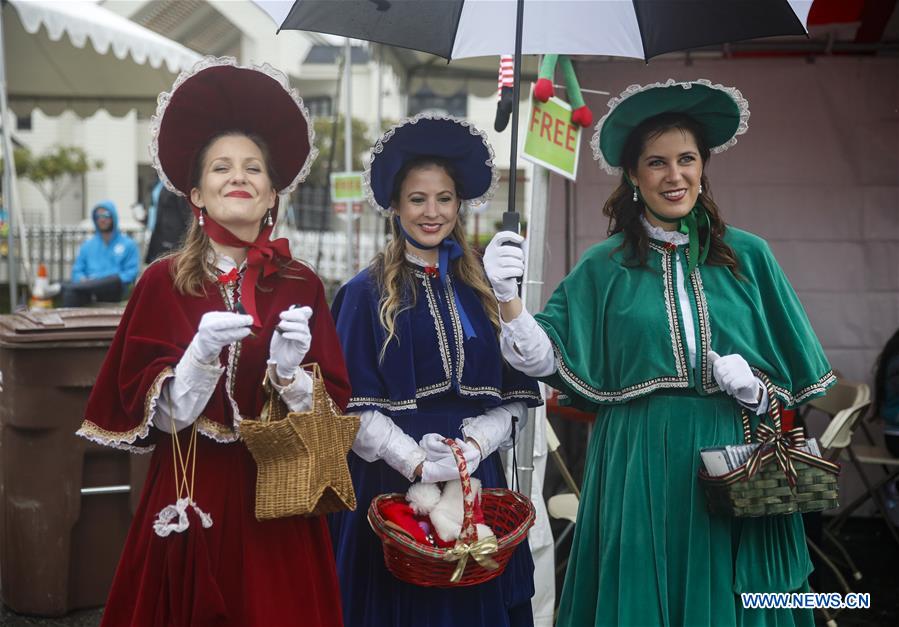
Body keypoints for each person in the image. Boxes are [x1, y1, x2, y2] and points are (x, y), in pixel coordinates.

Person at [483, 80, 836, 626]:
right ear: (633, 175)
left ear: (703, 165)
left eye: (686, 159)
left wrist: (755, 389)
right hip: (637, 456)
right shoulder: (605, 265)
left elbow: (794, 379)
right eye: (657, 163)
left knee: (727, 594)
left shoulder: (749, 256)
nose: (675, 176)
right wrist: (507, 298)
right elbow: (542, 357)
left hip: (730, 452)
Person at [76, 58, 351, 626]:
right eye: (221, 168)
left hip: (278, 500)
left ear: (272, 194)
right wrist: (198, 359)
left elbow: (333, 413)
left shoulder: (301, 283)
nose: (238, 177)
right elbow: (158, 419)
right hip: (193, 489)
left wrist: (289, 377)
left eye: (253, 168)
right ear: (197, 193)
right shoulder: (162, 281)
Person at [329, 114, 542, 627]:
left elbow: (515, 396)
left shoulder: (486, 287)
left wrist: (475, 448)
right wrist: (418, 465)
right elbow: (351, 409)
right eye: (417, 199)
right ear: (396, 206)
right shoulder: (363, 293)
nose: (432, 212)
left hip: (474, 477)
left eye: (444, 198)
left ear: (459, 204)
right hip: (390, 479)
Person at [61, 201, 139, 306]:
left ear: (113, 217)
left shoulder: (128, 244)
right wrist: (82, 279)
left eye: (106, 215)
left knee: (111, 281)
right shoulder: (87, 245)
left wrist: (103, 280)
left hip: (115, 288)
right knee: (70, 294)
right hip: (89, 287)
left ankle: (63, 286)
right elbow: (77, 271)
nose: (102, 219)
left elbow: (131, 272)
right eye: (98, 216)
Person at [145, 180, 193, 263]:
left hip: (173, 237)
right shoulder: (158, 183)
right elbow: (157, 209)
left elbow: (186, 213)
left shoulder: (176, 184)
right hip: (156, 234)